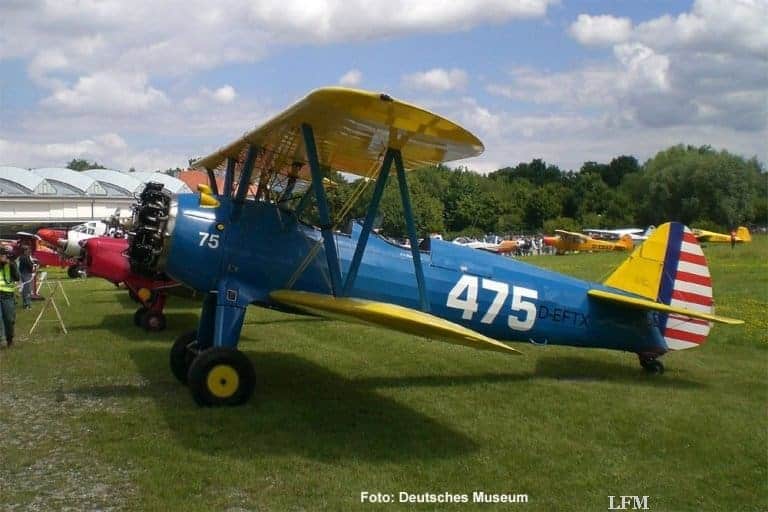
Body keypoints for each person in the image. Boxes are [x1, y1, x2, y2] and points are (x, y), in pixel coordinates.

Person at [0, 245, 20, 347]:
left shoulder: (11, 264)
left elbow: (17, 277)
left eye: (4, 255)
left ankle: (9, 339)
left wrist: (10, 264)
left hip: (7, 296)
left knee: (9, 319)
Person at [18, 245, 36, 310]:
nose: (29, 251)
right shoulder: (25, 257)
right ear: (25, 251)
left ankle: (26, 303)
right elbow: (30, 265)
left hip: (24, 274)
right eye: (28, 249)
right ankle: (27, 305)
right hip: (26, 274)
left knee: (25, 290)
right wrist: (33, 265)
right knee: (27, 290)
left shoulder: (23, 257)